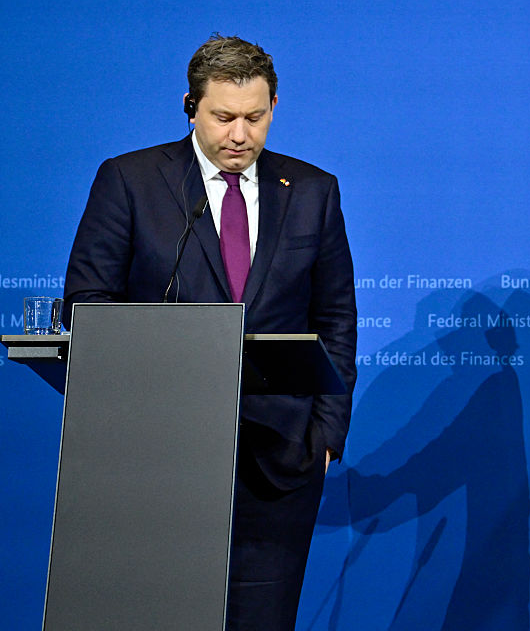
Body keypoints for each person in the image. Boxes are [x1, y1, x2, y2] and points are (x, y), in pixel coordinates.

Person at [63, 34, 357, 630]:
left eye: (255, 117)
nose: (240, 135)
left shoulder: (312, 191)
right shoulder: (130, 181)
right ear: (190, 107)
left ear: (275, 106)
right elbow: (87, 305)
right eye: (223, 118)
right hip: (156, 452)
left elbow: (335, 319)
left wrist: (326, 434)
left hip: (279, 455)